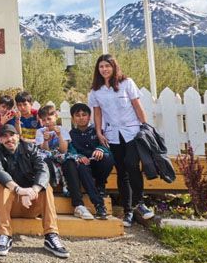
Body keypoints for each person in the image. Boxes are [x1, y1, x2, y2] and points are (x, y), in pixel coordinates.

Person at [89, 54, 155, 227]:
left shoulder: (127, 83)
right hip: (112, 134)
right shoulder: (96, 90)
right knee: (121, 171)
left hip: (132, 132)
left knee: (132, 165)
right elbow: (97, 113)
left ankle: (139, 203)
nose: (104, 69)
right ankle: (128, 211)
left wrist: (144, 126)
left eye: (107, 66)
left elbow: (137, 106)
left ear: (114, 67)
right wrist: (99, 131)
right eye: (101, 66)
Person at [0, 124, 69, 258]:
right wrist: (19, 190)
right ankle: (4, 234)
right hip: (12, 205)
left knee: (46, 187)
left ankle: (51, 235)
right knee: (0, 185)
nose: (9, 139)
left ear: (18, 136)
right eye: (5, 136)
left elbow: (43, 169)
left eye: (12, 135)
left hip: (32, 203)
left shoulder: (29, 147)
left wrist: (33, 190)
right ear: (0, 140)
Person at [65, 102, 114, 220]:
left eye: (84, 114)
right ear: (73, 119)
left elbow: (107, 145)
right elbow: (71, 150)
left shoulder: (97, 130)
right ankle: (99, 205)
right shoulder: (72, 134)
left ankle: (100, 185)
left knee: (107, 157)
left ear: (89, 116)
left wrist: (100, 149)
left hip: (98, 164)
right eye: (77, 115)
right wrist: (79, 156)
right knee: (81, 166)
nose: (81, 118)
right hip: (84, 165)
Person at [34, 104, 69, 190]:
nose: (47, 122)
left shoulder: (62, 129)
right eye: (44, 120)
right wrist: (45, 140)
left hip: (59, 155)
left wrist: (59, 135)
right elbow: (44, 150)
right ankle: (52, 181)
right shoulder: (40, 131)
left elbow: (63, 150)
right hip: (47, 156)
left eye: (49, 119)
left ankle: (64, 184)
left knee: (67, 160)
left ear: (56, 116)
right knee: (44, 159)